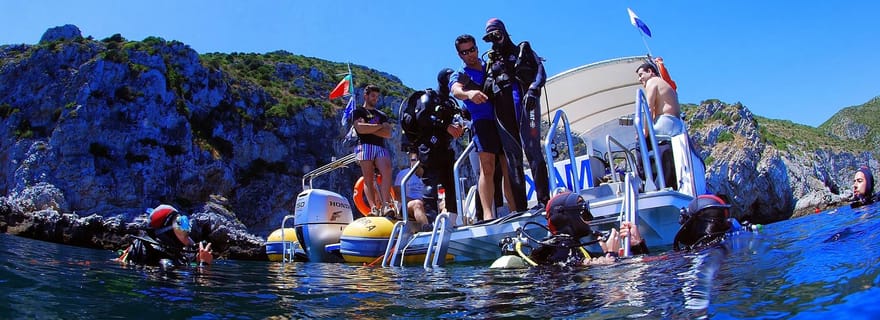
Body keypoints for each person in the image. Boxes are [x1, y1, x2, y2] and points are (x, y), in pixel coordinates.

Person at [482, 18, 550, 210]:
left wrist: (533, 90)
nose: (494, 38)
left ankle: (544, 200)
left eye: (496, 33)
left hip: (526, 107)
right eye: (490, 36)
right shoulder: (491, 61)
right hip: (503, 114)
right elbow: (485, 89)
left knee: (533, 152)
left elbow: (540, 72)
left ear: (504, 31)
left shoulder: (522, 50)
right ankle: (520, 208)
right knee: (513, 160)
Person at [450, 34, 516, 221]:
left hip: (502, 119)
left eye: (472, 49)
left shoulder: (491, 65)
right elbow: (456, 90)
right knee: (487, 168)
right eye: (465, 52)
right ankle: (488, 215)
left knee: (508, 168)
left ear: (477, 48)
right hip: (482, 122)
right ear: (459, 55)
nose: (470, 54)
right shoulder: (460, 74)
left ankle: (514, 210)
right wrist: (469, 93)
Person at [404, 68, 466, 228]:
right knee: (430, 182)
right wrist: (446, 127)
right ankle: (430, 222)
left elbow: (459, 118)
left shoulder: (450, 102)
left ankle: (452, 218)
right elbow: (422, 117)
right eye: (449, 78)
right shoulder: (429, 97)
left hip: (445, 147)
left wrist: (459, 127)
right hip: (429, 148)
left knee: (451, 183)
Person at [117, 204, 213, 268]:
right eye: (180, 224)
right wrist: (204, 264)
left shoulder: (142, 247)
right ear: (166, 232)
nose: (186, 230)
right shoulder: (166, 263)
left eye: (186, 223)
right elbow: (201, 287)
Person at [352, 84, 395, 216]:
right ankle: (373, 208)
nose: (375, 99)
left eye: (377, 96)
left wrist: (369, 127)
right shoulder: (358, 112)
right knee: (368, 177)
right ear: (366, 96)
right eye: (373, 96)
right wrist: (378, 126)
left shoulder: (381, 114)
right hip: (364, 145)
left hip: (379, 146)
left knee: (386, 170)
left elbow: (388, 133)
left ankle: (386, 204)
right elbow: (360, 129)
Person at [636, 62, 684, 137]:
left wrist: (646, 131)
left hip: (665, 123)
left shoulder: (652, 81)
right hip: (677, 126)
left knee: (640, 141)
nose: (639, 79)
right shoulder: (663, 84)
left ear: (649, 71)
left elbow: (649, 108)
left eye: (641, 75)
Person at [393, 154, 429, 229]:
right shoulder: (403, 174)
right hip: (408, 205)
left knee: (444, 203)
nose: (415, 162)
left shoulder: (430, 175)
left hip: (427, 202)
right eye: (412, 160)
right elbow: (398, 196)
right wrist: (419, 201)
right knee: (417, 204)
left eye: (416, 160)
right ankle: (427, 229)